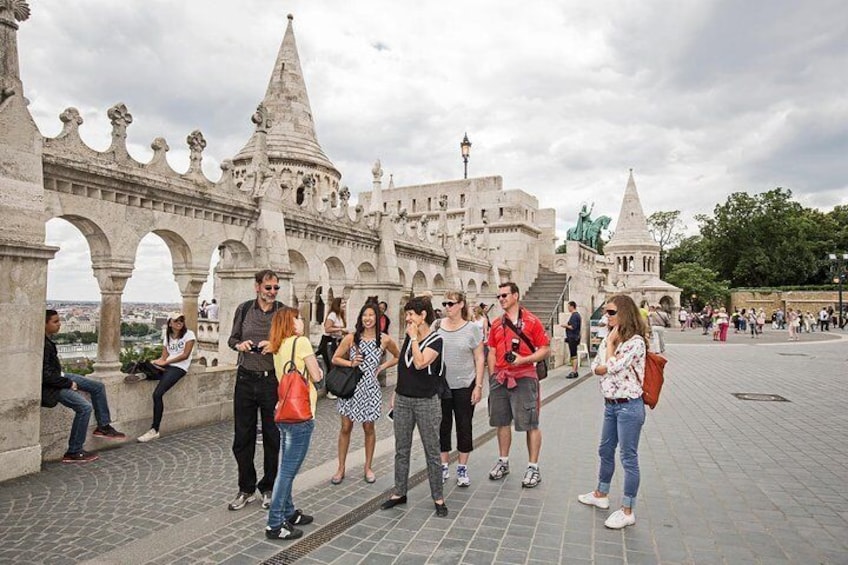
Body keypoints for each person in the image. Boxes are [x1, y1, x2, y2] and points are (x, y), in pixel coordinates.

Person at [578, 294, 647, 529]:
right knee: (605, 449)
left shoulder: (635, 342)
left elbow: (611, 367)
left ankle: (628, 510)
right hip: (611, 404)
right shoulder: (612, 338)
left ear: (624, 314)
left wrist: (609, 348)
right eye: (606, 312)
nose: (606, 317)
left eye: (611, 313)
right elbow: (596, 367)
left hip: (629, 406)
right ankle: (601, 494)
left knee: (628, 457)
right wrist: (607, 356)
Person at [381, 296, 448, 517]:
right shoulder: (410, 338)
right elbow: (404, 367)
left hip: (426, 402)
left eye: (411, 314)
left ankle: (438, 497)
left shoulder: (436, 340)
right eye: (407, 314)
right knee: (402, 449)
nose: (407, 318)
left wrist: (414, 339)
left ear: (423, 316)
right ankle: (399, 491)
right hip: (403, 399)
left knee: (432, 451)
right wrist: (395, 393)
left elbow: (419, 363)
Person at [226, 269, 286, 511]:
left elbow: (293, 340)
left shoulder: (282, 312)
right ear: (257, 287)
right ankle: (246, 488)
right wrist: (240, 345)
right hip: (245, 379)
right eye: (268, 287)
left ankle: (269, 487)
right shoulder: (244, 309)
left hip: (271, 381)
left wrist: (275, 344)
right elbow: (232, 340)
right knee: (242, 437)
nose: (272, 292)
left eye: (275, 288)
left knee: (273, 436)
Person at [263, 307, 323, 540]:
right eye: (297, 317)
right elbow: (317, 376)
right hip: (301, 415)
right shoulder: (302, 342)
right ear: (290, 322)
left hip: (284, 412)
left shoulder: (277, 345)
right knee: (287, 472)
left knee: (284, 467)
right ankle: (275, 523)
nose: (301, 320)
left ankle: (289, 512)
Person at [486, 282, 550, 488]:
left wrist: (523, 359)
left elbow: (545, 349)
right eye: (499, 296)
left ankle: (533, 467)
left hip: (524, 376)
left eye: (505, 295)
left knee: (530, 422)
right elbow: (493, 351)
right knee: (501, 421)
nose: (501, 299)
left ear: (515, 295)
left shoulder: (532, 321)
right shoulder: (496, 323)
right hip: (501, 378)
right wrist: (492, 375)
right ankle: (503, 461)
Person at [42, 310, 126, 463]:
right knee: (85, 408)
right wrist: (68, 383)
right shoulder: (43, 345)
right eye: (55, 321)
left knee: (98, 387)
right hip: (51, 387)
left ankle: (103, 426)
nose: (59, 324)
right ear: (44, 324)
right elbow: (45, 376)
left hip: (59, 377)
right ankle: (74, 451)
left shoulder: (48, 341)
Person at [330, 301, 400, 485]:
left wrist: (382, 366)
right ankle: (341, 468)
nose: (368, 319)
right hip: (351, 387)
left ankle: (368, 467)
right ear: (360, 318)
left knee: (369, 428)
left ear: (378, 318)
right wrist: (351, 363)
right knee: (346, 428)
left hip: (370, 388)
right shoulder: (352, 338)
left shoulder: (384, 339)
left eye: (371, 315)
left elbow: (398, 356)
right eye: (364, 315)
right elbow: (335, 358)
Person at [433, 291, 485, 487]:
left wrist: (478, 386)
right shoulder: (437, 326)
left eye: (452, 303)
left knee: (464, 425)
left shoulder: (472, 329)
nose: (448, 307)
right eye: (445, 303)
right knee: (442, 425)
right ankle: (444, 464)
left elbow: (479, 358)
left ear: (462, 305)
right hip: (442, 386)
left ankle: (462, 467)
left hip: (465, 384)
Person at [127, 312, 195, 443]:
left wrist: (165, 362)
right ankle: (144, 373)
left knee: (157, 394)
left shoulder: (189, 334)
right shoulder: (167, 336)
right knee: (143, 364)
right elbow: (163, 357)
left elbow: (185, 355)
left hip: (179, 368)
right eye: (176, 320)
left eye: (181, 320)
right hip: (167, 365)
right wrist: (156, 361)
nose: (179, 322)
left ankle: (154, 430)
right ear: (170, 323)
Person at [319, 298, 347, 374]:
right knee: (330, 365)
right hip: (328, 342)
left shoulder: (340, 315)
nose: (344, 305)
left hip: (336, 341)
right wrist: (340, 329)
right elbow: (327, 329)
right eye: (342, 303)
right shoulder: (333, 315)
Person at [562, 301, 582, 378]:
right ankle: (575, 370)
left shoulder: (574, 316)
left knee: (573, 355)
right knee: (574, 354)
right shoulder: (576, 315)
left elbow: (573, 327)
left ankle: (574, 371)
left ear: (572, 306)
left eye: (568, 306)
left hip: (573, 337)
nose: (568, 308)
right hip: (574, 337)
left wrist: (566, 326)